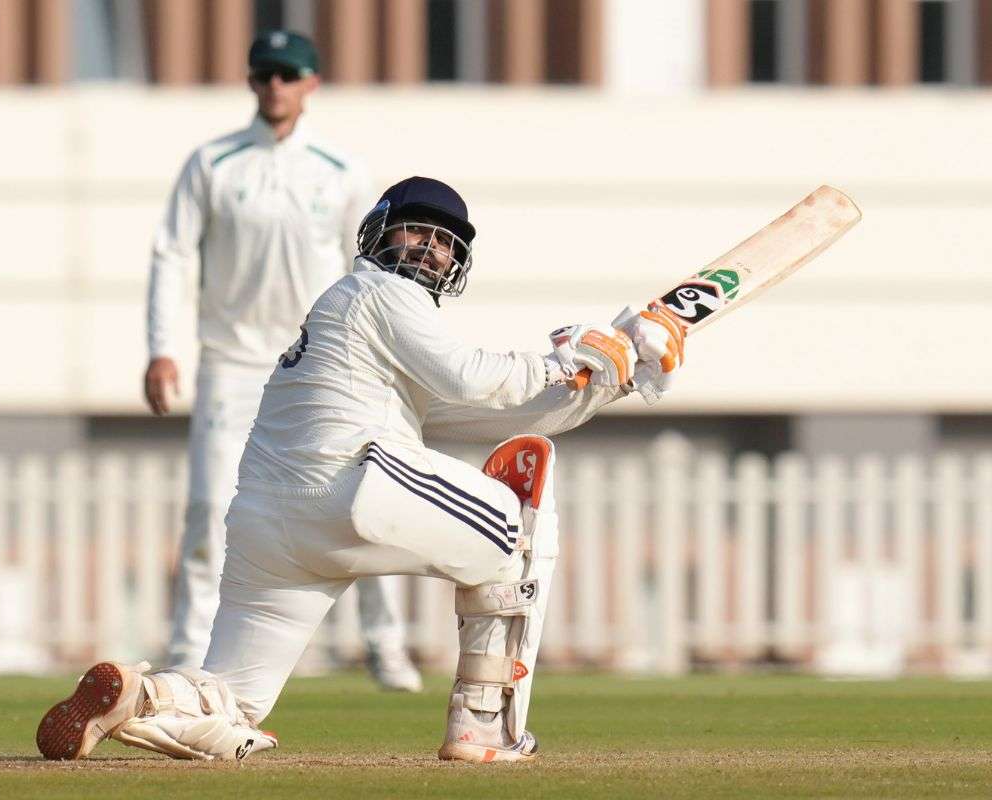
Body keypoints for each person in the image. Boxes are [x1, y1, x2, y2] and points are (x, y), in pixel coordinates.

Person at [39, 177, 687, 764]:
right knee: (520, 520)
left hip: (271, 525)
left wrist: (614, 374)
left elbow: (500, 415)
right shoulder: (378, 290)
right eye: (417, 231)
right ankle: (483, 722)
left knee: (236, 697)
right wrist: (568, 356)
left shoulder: (362, 334)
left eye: (445, 242)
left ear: (457, 263)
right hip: (349, 486)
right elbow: (476, 377)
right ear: (377, 234)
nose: (429, 249)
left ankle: (142, 695)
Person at [143, 29, 420, 690]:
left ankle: (386, 645)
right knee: (211, 509)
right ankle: (189, 656)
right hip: (231, 361)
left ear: (310, 84)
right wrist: (161, 349)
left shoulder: (340, 169)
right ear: (251, 81)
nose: (275, 86)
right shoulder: (213, 163)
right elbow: (172, 255)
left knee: (365, 494)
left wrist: (383, 353)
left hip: (316, 362)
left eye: (288, 75)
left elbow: (373, 269)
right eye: (265, 74)